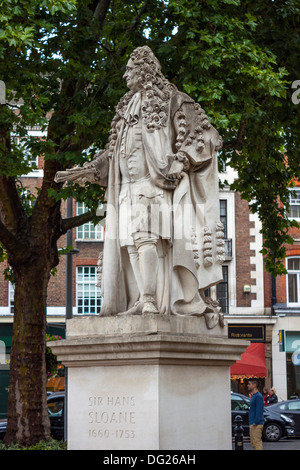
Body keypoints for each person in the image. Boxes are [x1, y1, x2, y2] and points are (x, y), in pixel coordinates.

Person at [55, 46, 225, 328]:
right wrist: (89, 169)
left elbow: (204, 133)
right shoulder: (124, 108)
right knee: (130, 243)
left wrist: (181, 159)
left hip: (154, 184)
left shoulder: (173, 99)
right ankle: (140, 298)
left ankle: (149, 299)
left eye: (129, 69)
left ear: (144, 70)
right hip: (125, 189)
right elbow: (112, 154)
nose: (124, 74)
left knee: (146, 238)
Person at [247, 378, 265, 450]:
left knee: (257, 443)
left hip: (256, 424)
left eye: (249, 384)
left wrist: (255, 422)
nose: (247, 385)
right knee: (253, 443)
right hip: (253, 423)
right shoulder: (254, 396)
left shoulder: (258, 396)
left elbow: (259, 410)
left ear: (254, 385)